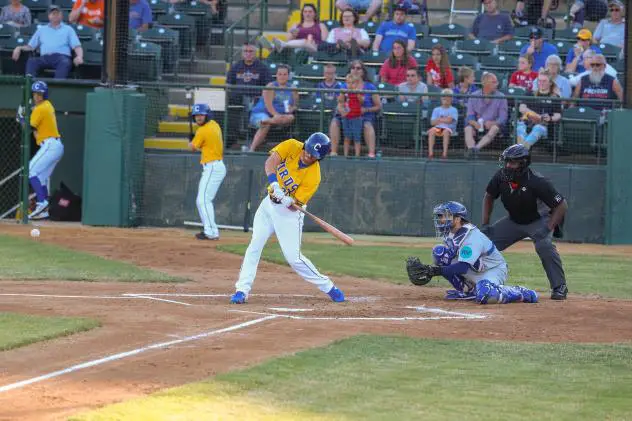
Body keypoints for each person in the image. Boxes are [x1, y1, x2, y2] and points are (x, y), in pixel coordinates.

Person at [230, 133, 345, 304]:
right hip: (267, 206)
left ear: (320, 158)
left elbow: (294, 205)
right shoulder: (292, 145)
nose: (308, 155)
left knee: (294, 258)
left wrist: (287, 200)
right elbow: (270, 163)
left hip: (289, 215)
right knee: (255, 245)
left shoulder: (314, 177)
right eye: (308, 150)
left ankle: (329, 287)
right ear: (305, 145)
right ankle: (242, 290)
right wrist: (275, 184)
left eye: (314, 155)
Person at [405, 201, 538, 304]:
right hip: (475, 268)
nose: (441, 220)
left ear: (457, 219)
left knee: (486, 295)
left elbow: (463, 267)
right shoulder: (450, 233)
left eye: (445, 216)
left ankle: (520, 292)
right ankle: (467, 290)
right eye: (440, 216)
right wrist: (435, 269)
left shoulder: (471, 238)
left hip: (493, 270)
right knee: (439, 252)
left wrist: (434, 271)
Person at [482, 144, 569, 300]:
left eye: (512, 162)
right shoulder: (500, 176)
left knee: (544, 245)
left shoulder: (537, 181)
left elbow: (561, 205)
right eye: (507, 161)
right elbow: (489, 196)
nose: (508, 165)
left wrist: (548, 227)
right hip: (514, 221)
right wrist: (485, 224)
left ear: (523, 163)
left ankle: (559, 286)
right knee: (483, 244)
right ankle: (476, 283)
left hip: (538, 220)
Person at [23, 81, 64, 220]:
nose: (37, 96)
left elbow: (28, 128)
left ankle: (42, 202)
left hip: (50, 145)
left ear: (44, 94)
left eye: (39, 94)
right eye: (35, 93)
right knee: (40, 178)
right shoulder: (47, 105)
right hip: (54, 146)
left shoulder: (41, 108)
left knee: (30, 170)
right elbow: (35, 131)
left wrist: (21, 119)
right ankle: (44, 209)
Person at [12, 5, 83, 79]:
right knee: (32, 61)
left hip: (61, 57)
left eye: (57, 13)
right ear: (49, 16)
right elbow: (31, 47)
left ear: (61, 15)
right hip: (45, 58)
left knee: (65, 62)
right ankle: (30, 85)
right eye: (53, 13)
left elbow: (77, 46)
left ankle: (57, 87)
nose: (55, 15)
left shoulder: (68, 29)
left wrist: (79, 56)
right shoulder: (41, 30)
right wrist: (19, 47)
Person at [188, 104, 226, 241]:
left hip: (213, 167)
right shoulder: (214, 125)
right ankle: (209, 229)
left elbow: (192, 148)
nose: (198, 117)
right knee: (202, 200)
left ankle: (211, 231)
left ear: (207, 115)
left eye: (201, 115)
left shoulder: (203, 131)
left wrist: (190, 141)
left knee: (203, 200)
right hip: (214, 166)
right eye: (196, 115)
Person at [330, 60, 381, 158]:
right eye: (353, 68)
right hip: (347, 115)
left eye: (358, 68)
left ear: (363, 71)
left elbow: (378, 106)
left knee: (367, 125)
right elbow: (339, 103)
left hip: (364, 116)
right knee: (334, 122)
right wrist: (342, 110)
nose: (355, 70)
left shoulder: (370, 87)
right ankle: (334, 152)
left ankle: (371, 154)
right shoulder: (344, 86)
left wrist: (366, 110)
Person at [249, 64, 299, 152]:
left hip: (281, 116)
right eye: (280, 74)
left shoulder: (292, 88)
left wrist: (292, 108)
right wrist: (276, 115)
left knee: (291, 117)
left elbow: (295, 105)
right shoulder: (270, 86)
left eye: (284, 74)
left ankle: (268, 121)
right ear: (276, 75)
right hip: (262, 113)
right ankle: (251, 149)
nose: (282, 76)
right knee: (265, 124)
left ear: (288, 76)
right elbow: (269, 105)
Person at [464, 72, 508, 155]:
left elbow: (503, 117)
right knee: (468, 128)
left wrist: (493, 123)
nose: (497, 84)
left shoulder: (501, 97)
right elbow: (470, 115)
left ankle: (476, 149)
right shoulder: (474, 95)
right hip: (477, 124)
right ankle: (471, 149)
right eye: (494, 82)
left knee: (495, 128)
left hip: (493, 124)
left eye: (497, 82)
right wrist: (474, 123)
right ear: (485, 84)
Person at [259, 4, 328, 55]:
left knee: (304, 42)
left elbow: (324, 42)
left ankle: (274, 47)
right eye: (305, 12)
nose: (307, 14)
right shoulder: (296, 25)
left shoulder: (321, 25)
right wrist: (293, 35)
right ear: (302, 13)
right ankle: (273, 47)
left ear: (315, 14)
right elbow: (288, 40)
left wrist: (311, 41)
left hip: (314, 48)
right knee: (291, 46)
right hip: (296, 49)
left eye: (310, 12)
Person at [516, 70, 562, 148]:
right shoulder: (530, 93)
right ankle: (522, 151)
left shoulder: (555, 97)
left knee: (538, 128)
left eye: (544, 81)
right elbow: (522, 108)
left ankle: (521, 150)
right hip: (527, 122)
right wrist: (537, 116)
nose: (541, 83)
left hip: (543, 126)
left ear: (550, 83)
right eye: (539, 81)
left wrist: (550, 118)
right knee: (520, 127)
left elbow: (558, 115)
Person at [338, 73, 365, 157]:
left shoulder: (359, 92)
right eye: (348, 83)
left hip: (356, 118)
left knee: (357, 138)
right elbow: (340, 101)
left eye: (352, 83)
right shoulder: (345, 92)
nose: (350, 85)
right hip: (346, 117)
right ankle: (346, 155)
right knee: (347, 138)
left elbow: (362, 101)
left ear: (356, 84)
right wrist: (342, 94)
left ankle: (357, 156)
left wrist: (357, 93)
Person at [428, 89, 458, 159]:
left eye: (448, 97)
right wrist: (444, 119)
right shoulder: (436, 109)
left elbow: (450, 121)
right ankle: (430, 153)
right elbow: (432, 122)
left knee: (446, 131)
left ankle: (444, 154)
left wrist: (438, 119)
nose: (445, 99)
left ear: (451, 99)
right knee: (432, 131)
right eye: (444, 97)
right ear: (441, 98)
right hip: (439, 129)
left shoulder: (453, 109)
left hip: (449, 129)